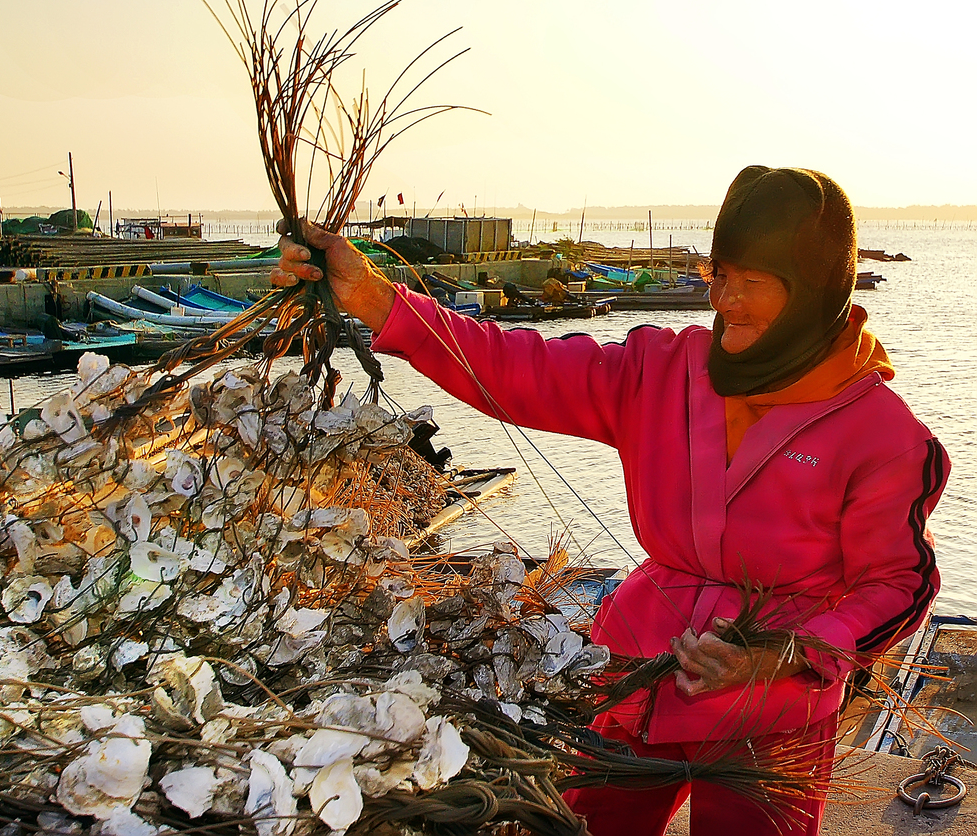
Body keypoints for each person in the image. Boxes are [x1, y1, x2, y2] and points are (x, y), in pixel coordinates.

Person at [274, 165, 949, 835]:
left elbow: (896, 585)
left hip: (773, 716)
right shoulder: (660, 368)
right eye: (720, 275)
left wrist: (776, 654)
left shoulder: (884, 436)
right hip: (633, 681)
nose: (726, 300)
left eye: (753, 283)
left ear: (813, 293)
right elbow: (514, 364)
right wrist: (373, 297)